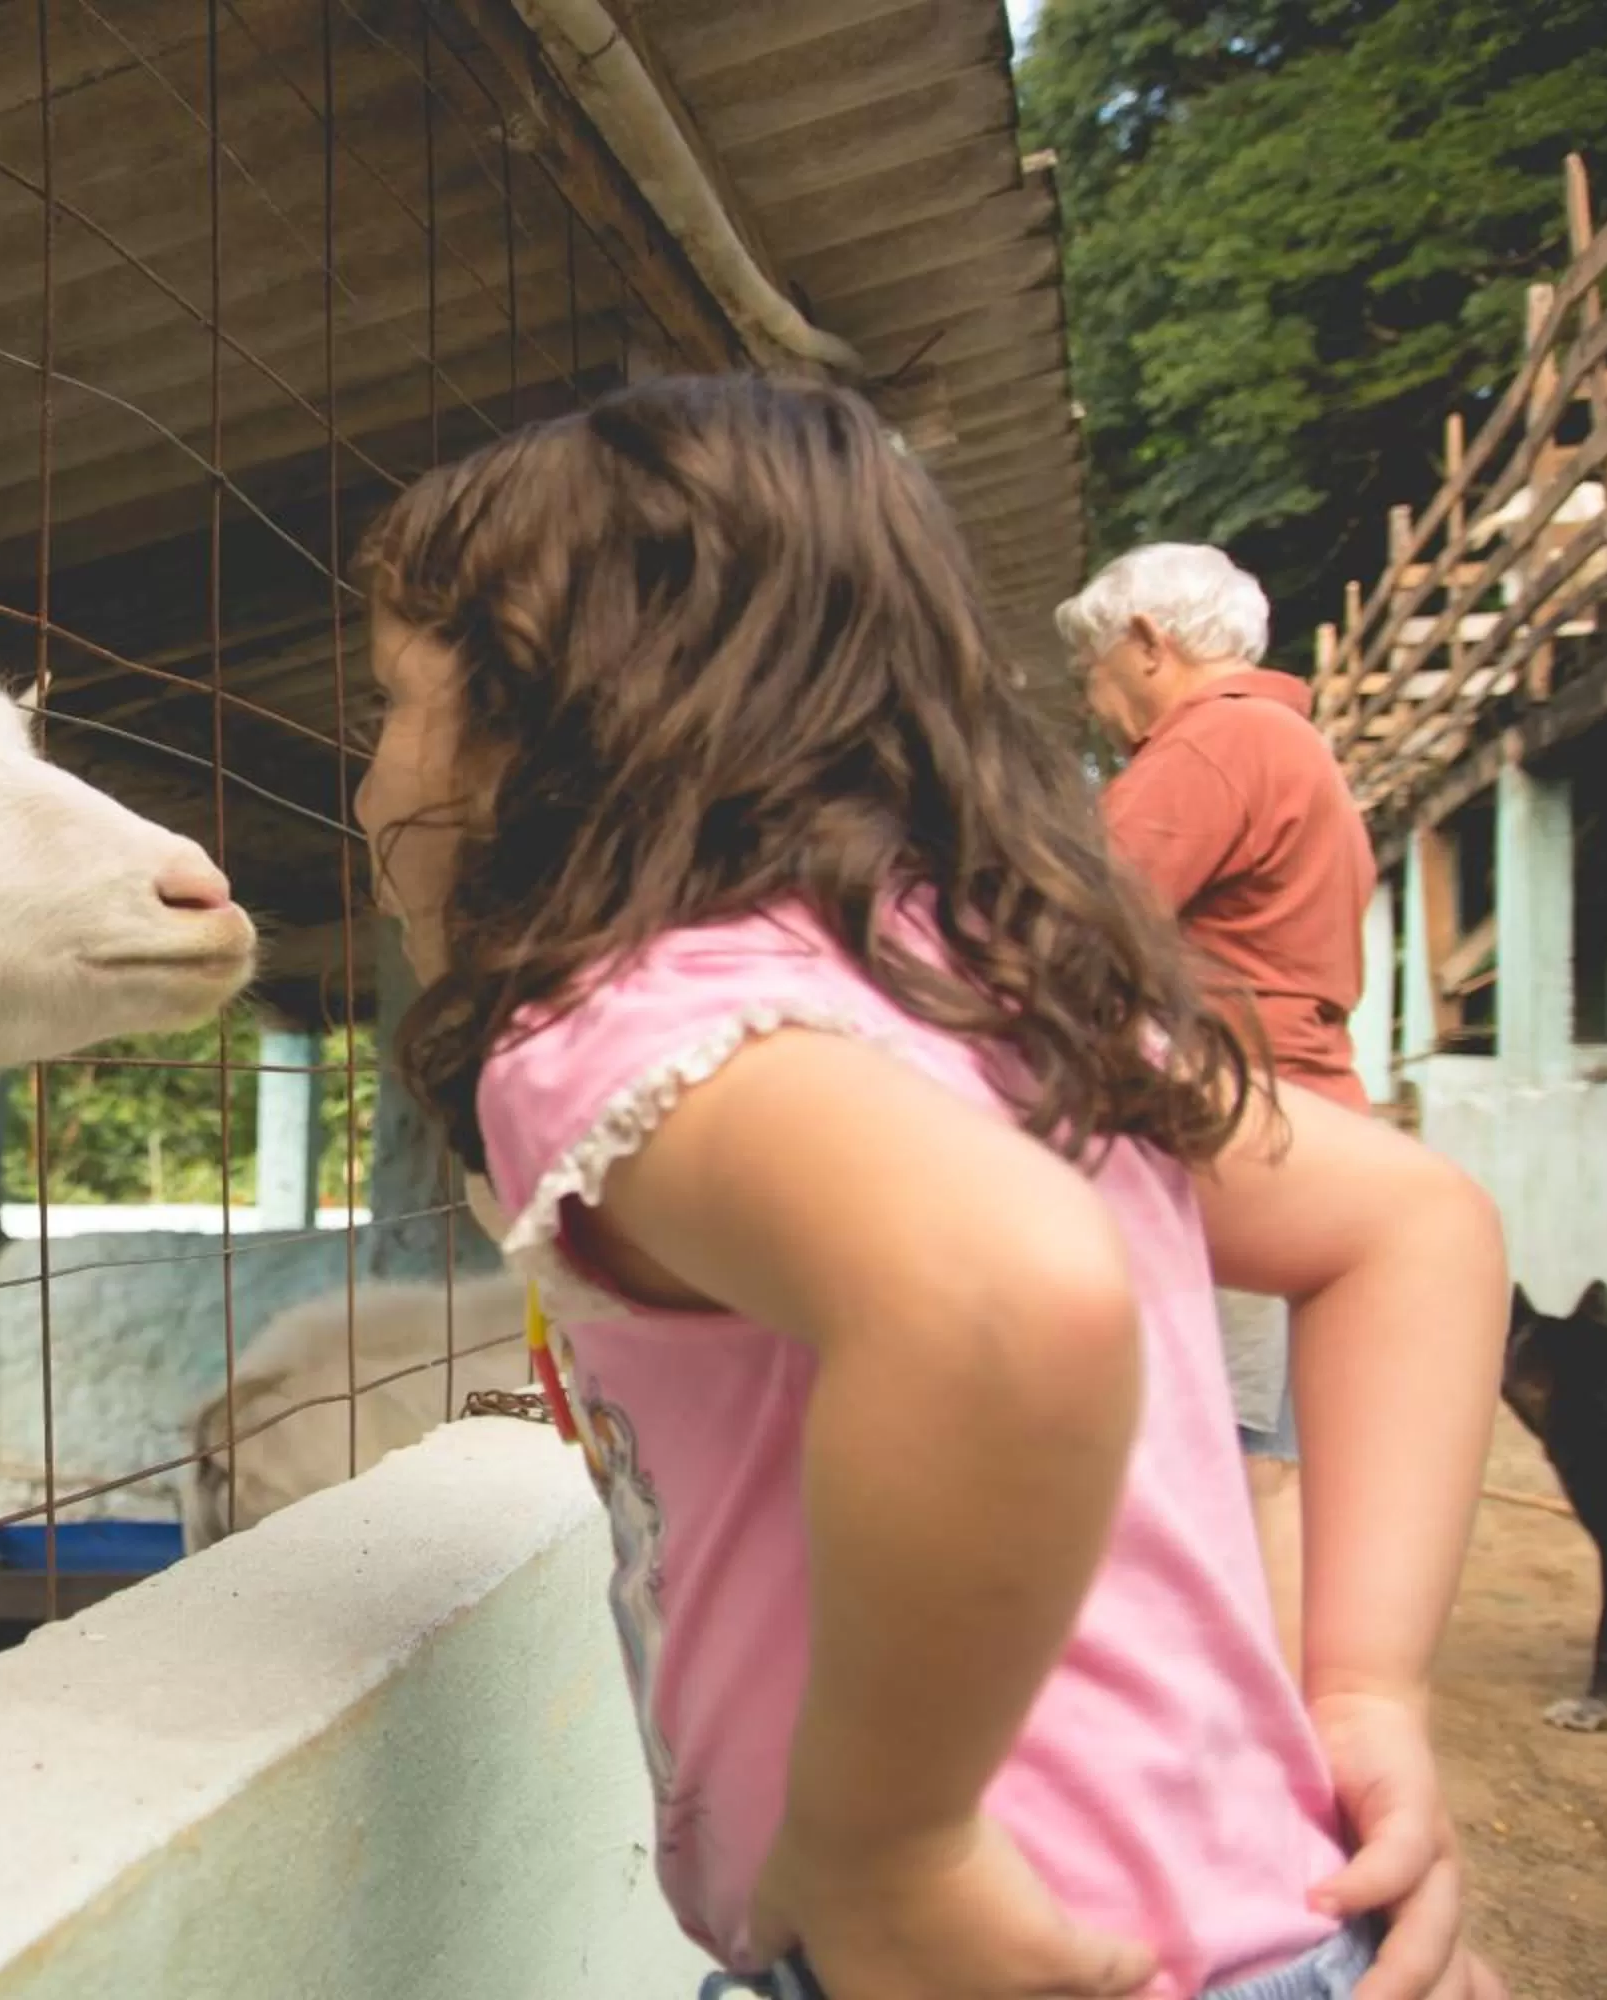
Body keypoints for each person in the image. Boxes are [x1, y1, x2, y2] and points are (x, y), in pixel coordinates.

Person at [352, 377, 1503, 2000]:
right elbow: (1414, 1224)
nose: (369, 777)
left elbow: (1000, 1291)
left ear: (539, 722)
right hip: (1293, 1921)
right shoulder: (998, 990)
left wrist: (893, 1851)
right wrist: (1370, 1691)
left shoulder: (612, 1035)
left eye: (389, 707)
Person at [1059, 543, 1382, 1680]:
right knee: (1268, 1463)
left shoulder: (1214, 740)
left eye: (1096, 671)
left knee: (1233, 1458)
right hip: (1302, 1116)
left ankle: (1245, 1740)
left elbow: (1079, 924)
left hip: (1231, 1119)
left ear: (1150, 642)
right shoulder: (1293, 744)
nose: (1097, 704)